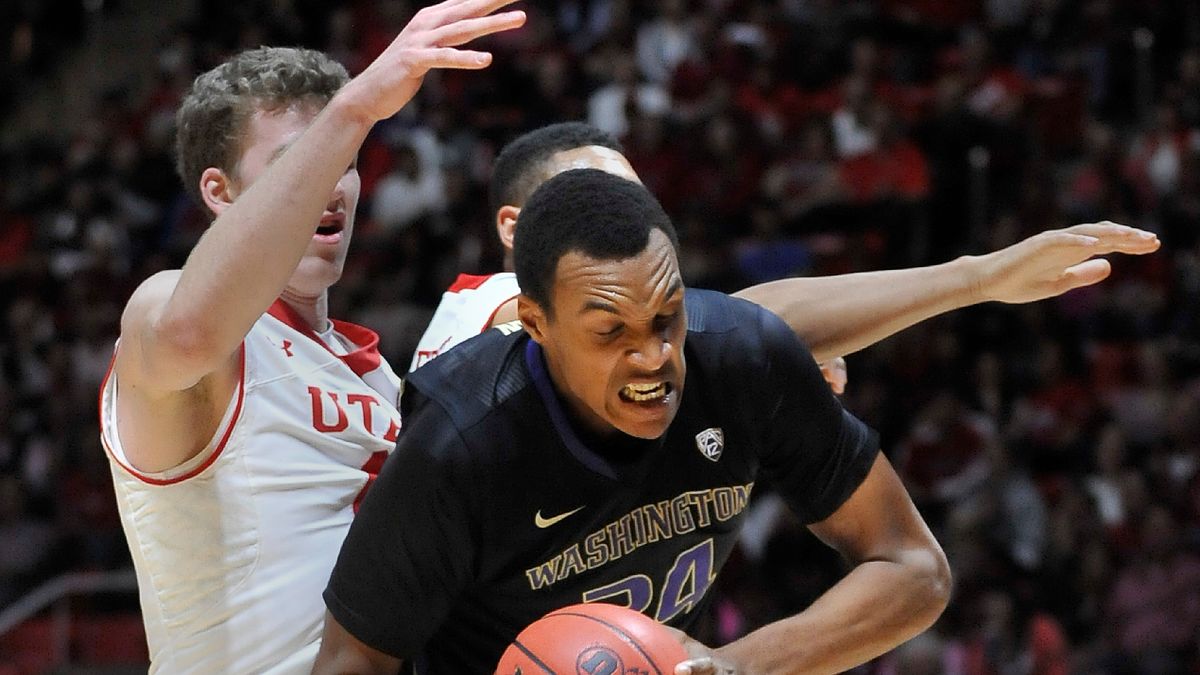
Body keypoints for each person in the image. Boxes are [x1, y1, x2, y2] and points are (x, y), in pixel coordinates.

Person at [314, 168, 953, 674]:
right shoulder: (459, 443)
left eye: (667, 317)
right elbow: (352, 662)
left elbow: (914, 569)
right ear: (536, 324)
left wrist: (737, 665)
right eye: (610, 331)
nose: (654, 358)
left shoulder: (742, 355)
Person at [97, 2, 527, 673]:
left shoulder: (382, 378)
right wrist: (354, 109)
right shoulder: (169, 308)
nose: (331, 182)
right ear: (220, 192)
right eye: (301, 160)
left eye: (345, 160)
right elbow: (188, 333)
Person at [409, 122, 1161, 395]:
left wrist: (758, 382)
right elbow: (734, 324)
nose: (625, 220)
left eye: (635, 200)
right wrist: (978, 278)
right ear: (514, 229)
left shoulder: (619, 378)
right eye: (592, 199)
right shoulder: (491, 305)